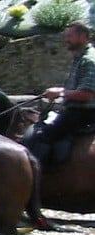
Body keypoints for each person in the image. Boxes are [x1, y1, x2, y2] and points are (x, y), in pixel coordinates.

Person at [32, 21, 95, 162]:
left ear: (83, 36)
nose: (67, 40)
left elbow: (88, 94)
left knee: (42, 136)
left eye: (70, 36)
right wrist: (61, 92)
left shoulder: (89, 60)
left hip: (83, 114)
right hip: (76, 111)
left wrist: (60, 93)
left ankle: (37, 177)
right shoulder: (80, 58)